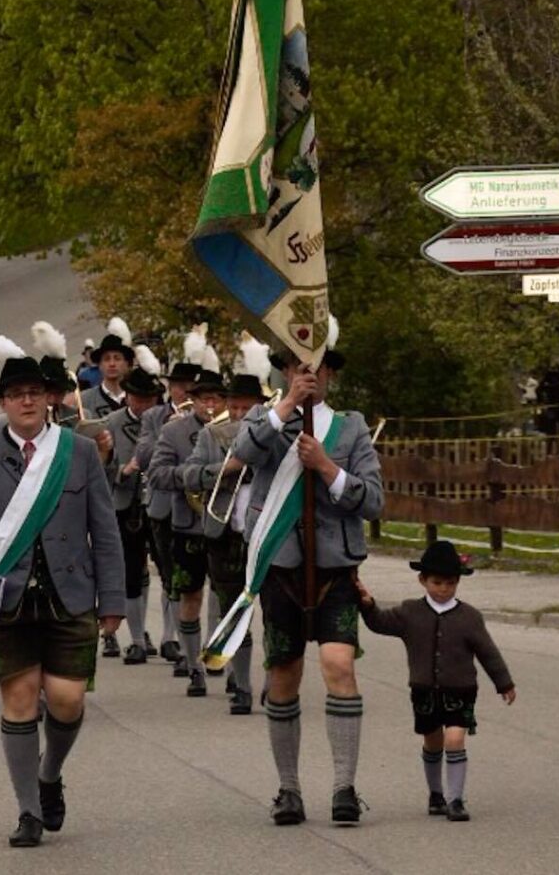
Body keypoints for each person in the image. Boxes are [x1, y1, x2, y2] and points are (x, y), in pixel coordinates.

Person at [0, 355, 126, 848]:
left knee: (67, 702)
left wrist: (113, 599)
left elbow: (104, 532)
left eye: (36, 392)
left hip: (70, 597)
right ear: (3, 402)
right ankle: (28, 812)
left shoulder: (80, 451)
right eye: (17, 393)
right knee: (20, 701)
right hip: (4, 600)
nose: (27, 400)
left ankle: (49, 774)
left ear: (50, 399)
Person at [218, 347, 384, 828]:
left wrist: (329, 469)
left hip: (334, 569)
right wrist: (287, 405)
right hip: (281, 568)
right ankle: (288, 788)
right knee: (284, 676)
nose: (308, 376)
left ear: (330, 372)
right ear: (286, 373)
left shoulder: (350, 427)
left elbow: (372, 501)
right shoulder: (265, 418)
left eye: (316, 369)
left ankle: (344, 788)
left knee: (338, 665)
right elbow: (242, 454)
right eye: (296, 369)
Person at [357, 540, 516, 822]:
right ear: (423, 580)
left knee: (454, 738)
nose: (443, 589)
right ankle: (436, 794)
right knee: (433, 742)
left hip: (462, 691)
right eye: (437, 582)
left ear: (458, 582)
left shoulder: (470, 617)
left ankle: (455, 800)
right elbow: (379, 622)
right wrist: (368, 605)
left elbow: (488, 652)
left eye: (450, 583)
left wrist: (504, 683)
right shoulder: (408, 612)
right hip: (424, 692)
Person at [183, 367, 265, 713]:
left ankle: (275, 682)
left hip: (265, 531)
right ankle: (242, 686)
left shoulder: (273, 435)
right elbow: (190, 474)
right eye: (234, 408)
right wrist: (226, 469)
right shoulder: (211, 435)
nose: (238, 415)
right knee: (235, 609)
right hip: (224, 531)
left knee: (275, 614)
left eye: (246, 409)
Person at [150, 365, 228, 698]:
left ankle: (216, 653)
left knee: (223, 595)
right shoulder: (174, 432)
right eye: (203, 398)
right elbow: (157, 474)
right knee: (190, 595)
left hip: (225, 525)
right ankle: (193, 664)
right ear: (192, 400)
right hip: (188, 525)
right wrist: (197, 476)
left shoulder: (236, 431)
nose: (209, 404)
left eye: (215, 398)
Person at [101, 365, 164, 663]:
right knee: (131, 570)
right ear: (128, 398)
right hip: (126, 503)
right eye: (138, 399)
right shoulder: (111, 423)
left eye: (149, 400)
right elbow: (101, 466)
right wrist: (122, 471)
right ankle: (137, 639)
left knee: (166, 571)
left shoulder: (167, 421)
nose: (144, 406)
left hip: (161, 501)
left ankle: (171, 638)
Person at [82, 323, 132, 420]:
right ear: (99, 365)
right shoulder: (85, 400)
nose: (112, 364)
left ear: (127, 364)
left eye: (117, 359)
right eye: (106, 359)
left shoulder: (139, 397)